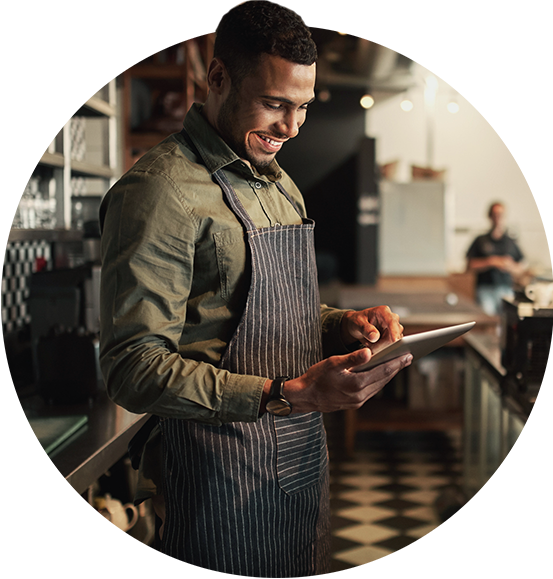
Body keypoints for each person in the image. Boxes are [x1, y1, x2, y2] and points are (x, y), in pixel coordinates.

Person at [99, 1, 412, 576]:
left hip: (297, 464)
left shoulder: (279, 184)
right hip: (216, 477)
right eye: (275, 104)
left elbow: (267, 305)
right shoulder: (159, 191)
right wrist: (281, 394)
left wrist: (337, 324)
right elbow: (131, 367)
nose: (291, 128)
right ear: (217, 78)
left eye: (303, 108)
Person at [466, 201, 526, 315]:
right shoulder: (480, 240)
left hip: (506, 289)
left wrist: (509, 265)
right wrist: (491, 262)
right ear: (489, 216)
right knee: (488, 322)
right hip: (485, 289)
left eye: (501, 215)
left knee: (506, 323)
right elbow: (470, 265)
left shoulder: (510, 242)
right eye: (495, 214)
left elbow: (521, 268)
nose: (498, 218)